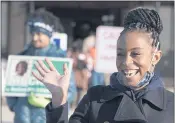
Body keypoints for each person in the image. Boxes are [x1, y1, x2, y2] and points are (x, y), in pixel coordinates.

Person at [32, 7, 174, 123]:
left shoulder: (171, 105)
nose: (126, 62)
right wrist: (59, 99)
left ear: (155, 57)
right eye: (120, 54)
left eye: (135, 54)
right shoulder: (95, 99)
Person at [6, 8, 77, 123]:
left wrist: (55, 102)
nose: (35, 38)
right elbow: (11, 85)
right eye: (33, 33)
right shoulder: (22, 56)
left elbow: (70, 90)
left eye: (39, 34)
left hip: (46, 116)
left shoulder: (60, 58)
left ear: (48, 35)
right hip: (22, 116)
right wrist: (14, 105)